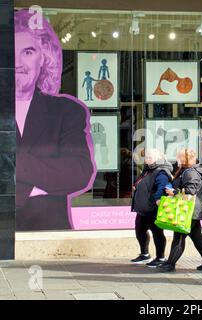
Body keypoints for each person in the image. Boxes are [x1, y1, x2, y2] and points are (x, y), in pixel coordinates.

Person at [15, 9, 96, 231]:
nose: (17, 63)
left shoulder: (67, 111)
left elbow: (78, 172)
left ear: (44, 57)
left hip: (48, 232)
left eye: (28, 52)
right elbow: (63, 172)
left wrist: (10, 164)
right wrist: (42, 182)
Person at [157, 149, 202, 272]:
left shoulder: (190, 173)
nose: (177, 159)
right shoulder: (187, 171)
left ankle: (170, 264)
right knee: (197, 236)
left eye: (179, 157)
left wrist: (174, 192)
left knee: (179, 236)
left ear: (186, 158)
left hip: (189, 211)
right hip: (193, 210)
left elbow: (191, 191)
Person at [131, 149, 173, 268]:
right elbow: (142, 181)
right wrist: (136, 185)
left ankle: (160, 257)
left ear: (158, 158)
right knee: (139, 230)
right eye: (146, 157)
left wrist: (158, 198)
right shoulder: (148, 169)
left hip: (153, 208)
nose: (146, 159)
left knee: (157, 233)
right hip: (143, 207)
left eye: (150, 157)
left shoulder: (161, 171)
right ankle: (145, 254)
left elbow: (162, 186)